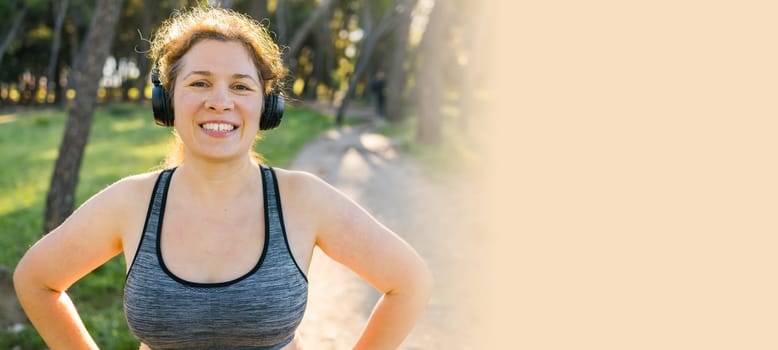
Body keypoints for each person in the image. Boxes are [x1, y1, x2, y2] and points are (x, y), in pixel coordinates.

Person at [13, 6, 433, 350]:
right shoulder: (131, 202)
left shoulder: (302, 198)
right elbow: (36, 279)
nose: (220, 102)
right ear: (167, 102)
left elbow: (409, 282)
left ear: (267, 108)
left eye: (241, 87)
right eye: (199, 83)